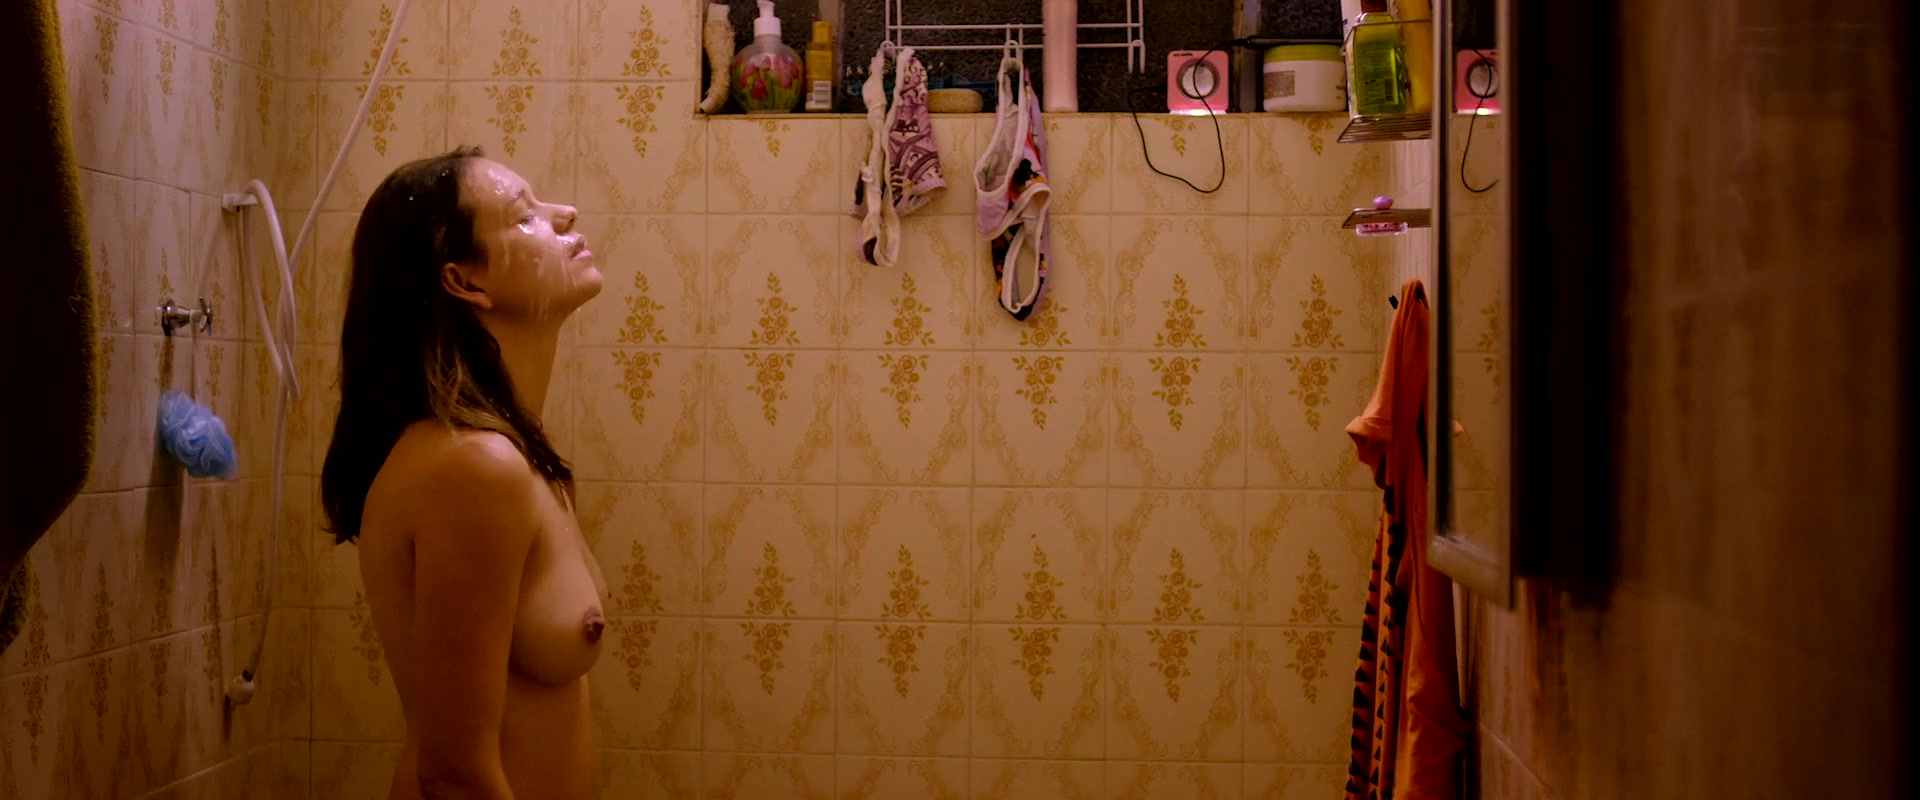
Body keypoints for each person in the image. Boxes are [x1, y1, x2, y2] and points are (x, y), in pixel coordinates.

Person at [320, 146, 607, 800]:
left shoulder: (520, 457)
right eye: (524, 216)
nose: (565, 214)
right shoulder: (474, 468)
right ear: (465, 282)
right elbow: (454, 776)